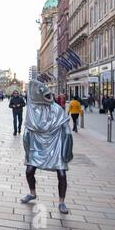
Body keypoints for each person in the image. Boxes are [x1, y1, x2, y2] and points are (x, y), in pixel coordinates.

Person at [21, 80, 73, 214]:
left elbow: (66, 128)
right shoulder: (33, 111)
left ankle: (62, 202)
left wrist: (67, 149)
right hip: (37, 146)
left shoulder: (56, 109)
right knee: (29, 171)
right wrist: (27, 151)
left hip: (56, 145)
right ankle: (32, 193)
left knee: (61, 174)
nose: (49, 94)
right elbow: (27, 132)